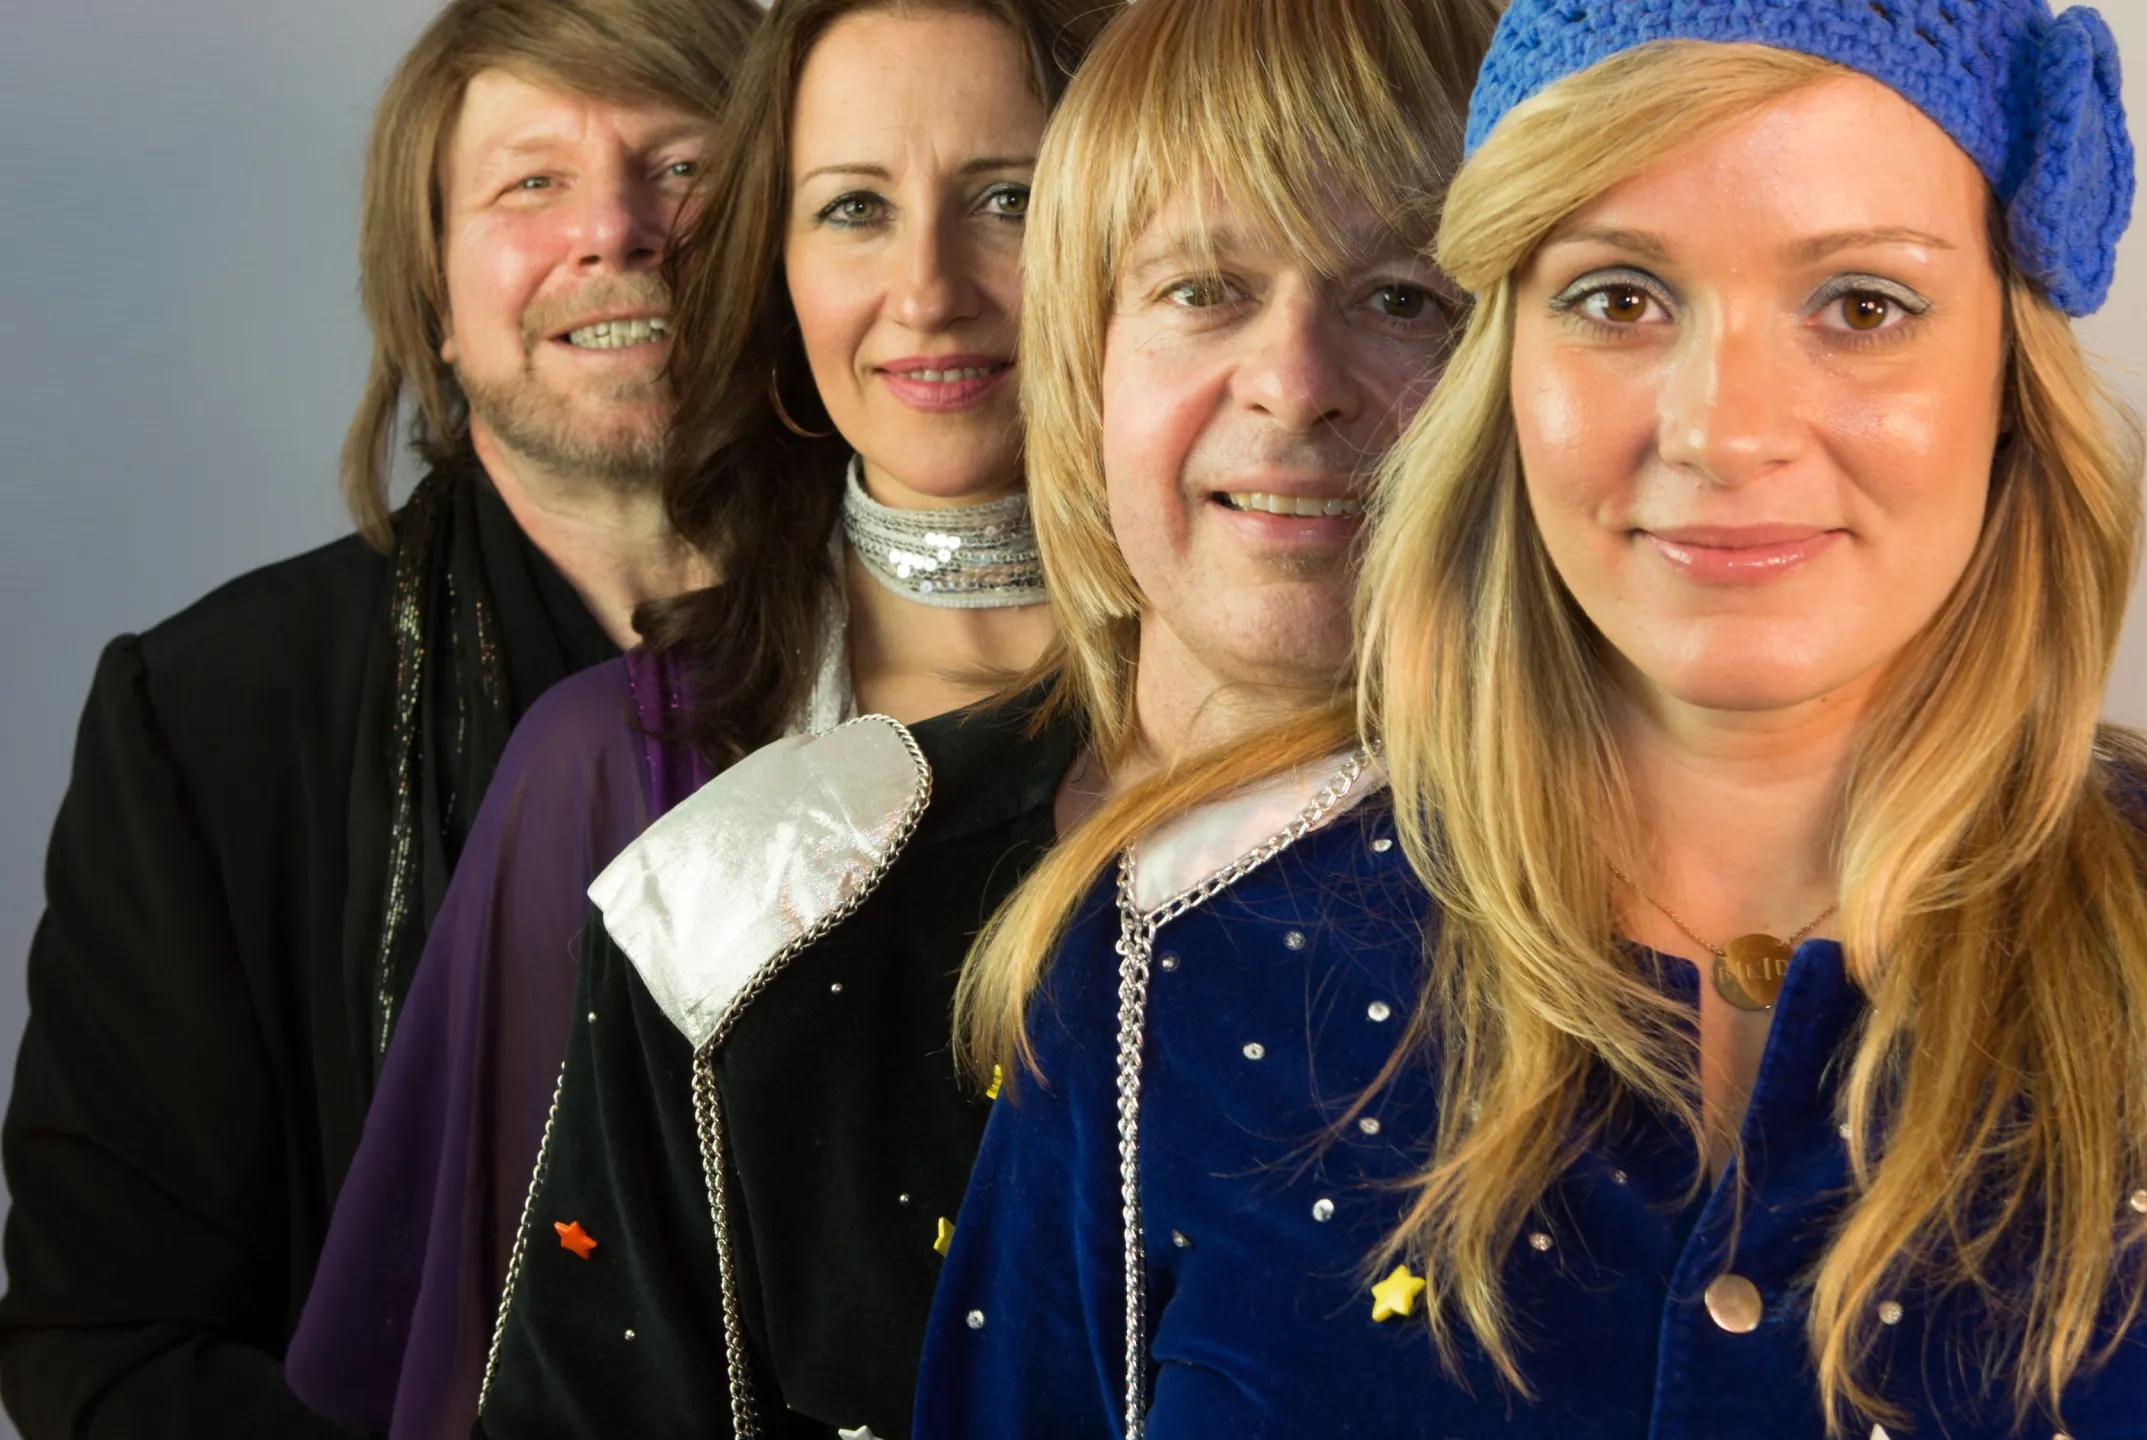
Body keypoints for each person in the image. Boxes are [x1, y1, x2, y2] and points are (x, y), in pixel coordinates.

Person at [921, 1, 2147, 1436]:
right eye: (1620, 298)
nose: (1723, 427)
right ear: (1506, 370)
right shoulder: (1169, 963)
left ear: (2010, 373)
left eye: (1862, 305)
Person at [472, 0, 1493, 1435]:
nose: (1293, 384)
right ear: (1081, 359)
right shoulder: (742, 912)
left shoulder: (1679, 915)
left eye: (1402, 298)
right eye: (1203, 288)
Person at [285, 1, 1091, 1436]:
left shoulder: (1294, 715)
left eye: (1008, 200)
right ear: (771, 273)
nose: (927, 291)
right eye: (852, 209)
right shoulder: (610, 764)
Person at [0, 2, 758, 1435]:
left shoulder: (981, 677)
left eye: (682, 167)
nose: (613, 230)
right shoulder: (208, 722)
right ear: (434, 303)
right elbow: (107, 1353)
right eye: (531, 182)